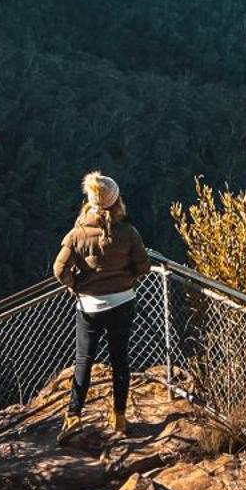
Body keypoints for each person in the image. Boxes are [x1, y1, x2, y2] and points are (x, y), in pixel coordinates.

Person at [52, 171, 151, 444]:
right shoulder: (129, 232)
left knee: (83, 360)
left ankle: (73, 416)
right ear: (116, 202)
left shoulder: (77, 234)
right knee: (120, 358)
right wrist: (127, 278)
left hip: (89, 305)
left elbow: (59, 269)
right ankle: (119, 417)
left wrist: (76, 285)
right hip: (123, 302)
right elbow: (144, 266)